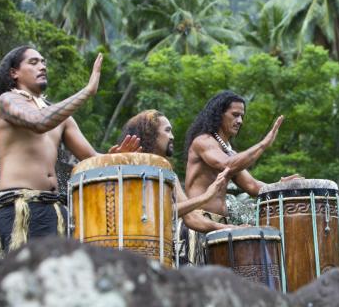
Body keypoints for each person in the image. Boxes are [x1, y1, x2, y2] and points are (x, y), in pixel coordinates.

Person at [0, 46, 140, 257]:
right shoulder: (7, 101)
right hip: (20, 208)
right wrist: (87, 92)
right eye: (33, 62)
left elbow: (92, 158)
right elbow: (39, 122)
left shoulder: (61, 117)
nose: (42, 66)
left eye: (43, 62)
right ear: (14, 73)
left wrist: (117, 157)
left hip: (55, 210)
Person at [183, 90, 300, 265]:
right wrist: (264, 144)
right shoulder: (203, 141)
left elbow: (253, 186)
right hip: (197, 224)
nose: (240, 121)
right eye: (235, 115)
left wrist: (279, 186)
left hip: (222, 227)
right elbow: (227, 165)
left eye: (242, 116)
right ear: (219, 115)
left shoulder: (230, 152)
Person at [118, 110, 234, 266]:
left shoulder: (168, 171)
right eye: (167, 130)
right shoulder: (131, 165)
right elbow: (156, 214)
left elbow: (191, 217)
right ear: (150, 134)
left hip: (162, 253)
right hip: (134, 252)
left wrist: (227, 228)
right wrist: (205, 197)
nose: (172, 136)